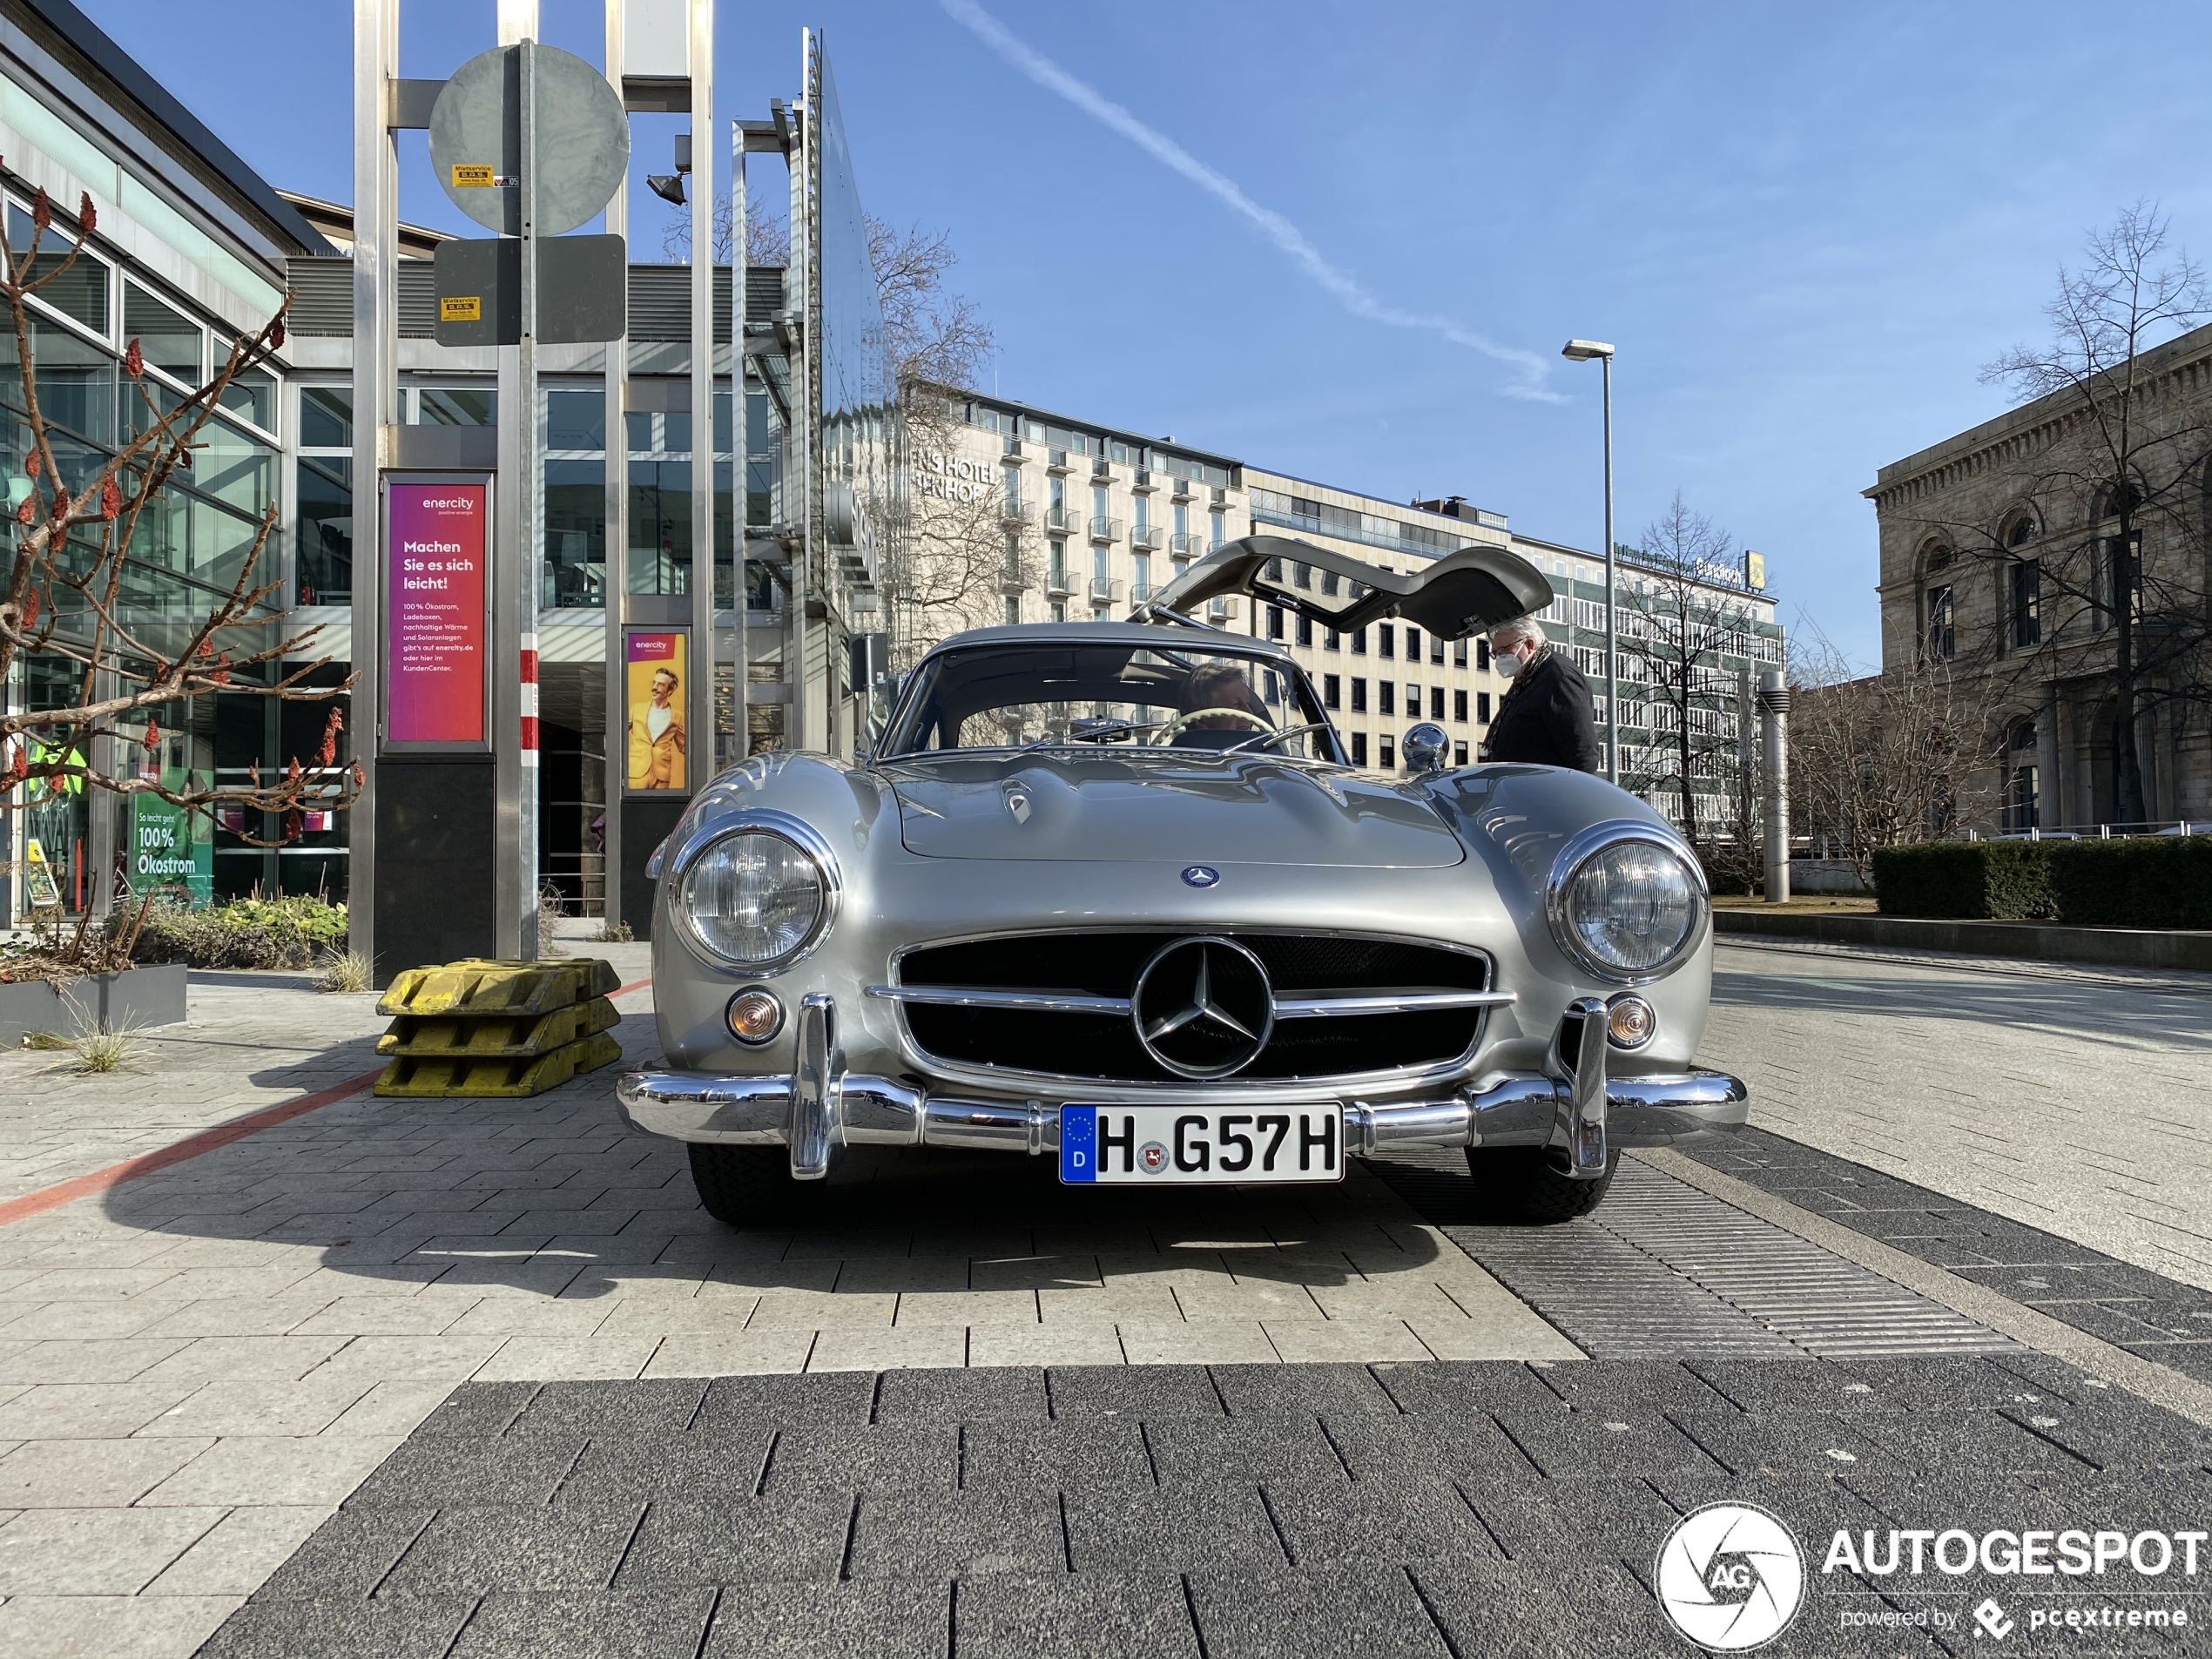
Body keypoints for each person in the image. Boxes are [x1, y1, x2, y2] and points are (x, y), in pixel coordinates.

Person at [1478, 617, 1602, 772]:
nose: (1500, 658)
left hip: (1546, 793)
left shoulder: (1559, 677)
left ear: (1529, 644)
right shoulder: (1526, 680)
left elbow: (1583, 754)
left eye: (1505, 649)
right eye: (1496, 653)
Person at [627, 665, 686, 790]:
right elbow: (617, 732)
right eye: (654, 683)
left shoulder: (677, 716)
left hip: (661, 774)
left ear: (669, 690)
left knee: (658, 809)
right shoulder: (636, 709)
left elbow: (683, 746)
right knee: (634, 807)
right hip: (637, 770)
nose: (654, 688)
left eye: (660, 685)